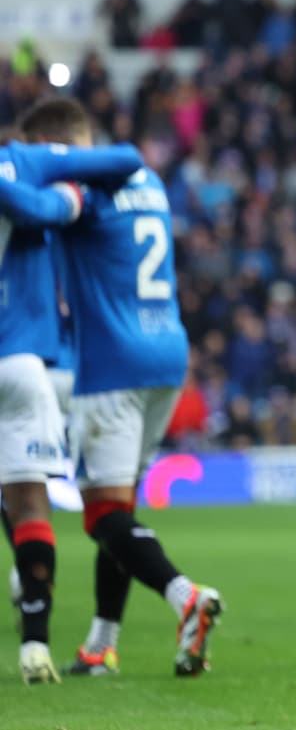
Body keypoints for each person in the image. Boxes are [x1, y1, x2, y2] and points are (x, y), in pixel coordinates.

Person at [18, 97, 224, 677]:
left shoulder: (84, 190)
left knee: (101, 516)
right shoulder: (149, 181)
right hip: (167, 352)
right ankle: (101, 643)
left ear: (53, 149)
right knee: (122, 505)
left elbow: (34, 208)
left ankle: (186, 597)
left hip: (111, 360)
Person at [0, 122, 144, 684]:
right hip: (22, 360)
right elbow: (127, 157)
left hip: (31, 365)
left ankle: (26, 591)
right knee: (31, 505)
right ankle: (34, 646)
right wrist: (62, 199)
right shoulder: (23, 161)